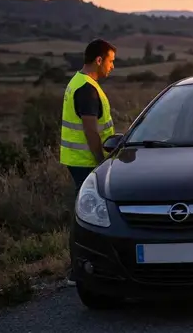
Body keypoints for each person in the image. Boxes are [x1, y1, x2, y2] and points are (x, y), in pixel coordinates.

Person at [59, 39, 116, 285]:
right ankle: (79, 271)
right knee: (87, 217)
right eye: (111, 61)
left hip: (77, 159)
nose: (112, 67)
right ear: (99, 60)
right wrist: (101, 162)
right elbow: (91, 131)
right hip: (86, 161)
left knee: (83, 213)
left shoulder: (78, 82)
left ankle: (82, 268)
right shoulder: (87, 89)